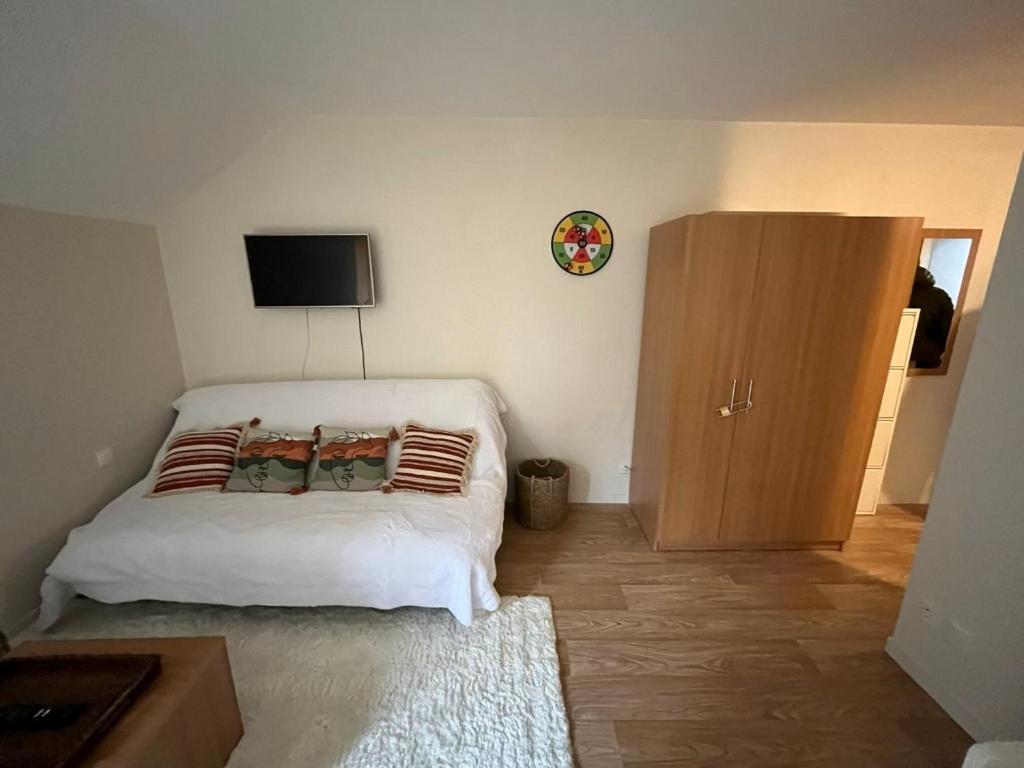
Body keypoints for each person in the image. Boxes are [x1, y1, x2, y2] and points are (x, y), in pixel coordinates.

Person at [908, 266, 954, 368]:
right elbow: (946, 328)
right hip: (927, 355)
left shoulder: (898, 294)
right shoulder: (939, 295)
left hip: (896, 351)